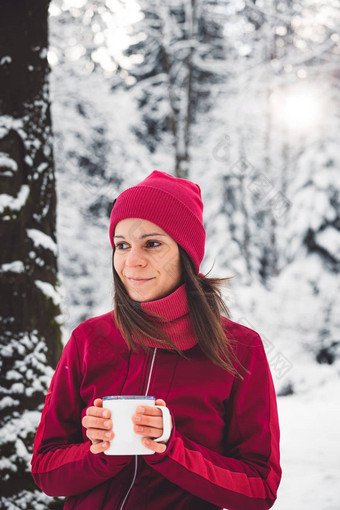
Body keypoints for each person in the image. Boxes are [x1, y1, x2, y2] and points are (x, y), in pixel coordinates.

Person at [31, 170, 282, 509]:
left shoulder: (240, 349)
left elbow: (259, 489)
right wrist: (99, 452)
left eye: (152, 243)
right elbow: (46, 470)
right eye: (122, 245)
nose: (132, 260)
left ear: (186, 254)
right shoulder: (88, 340)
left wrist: (170, 447)